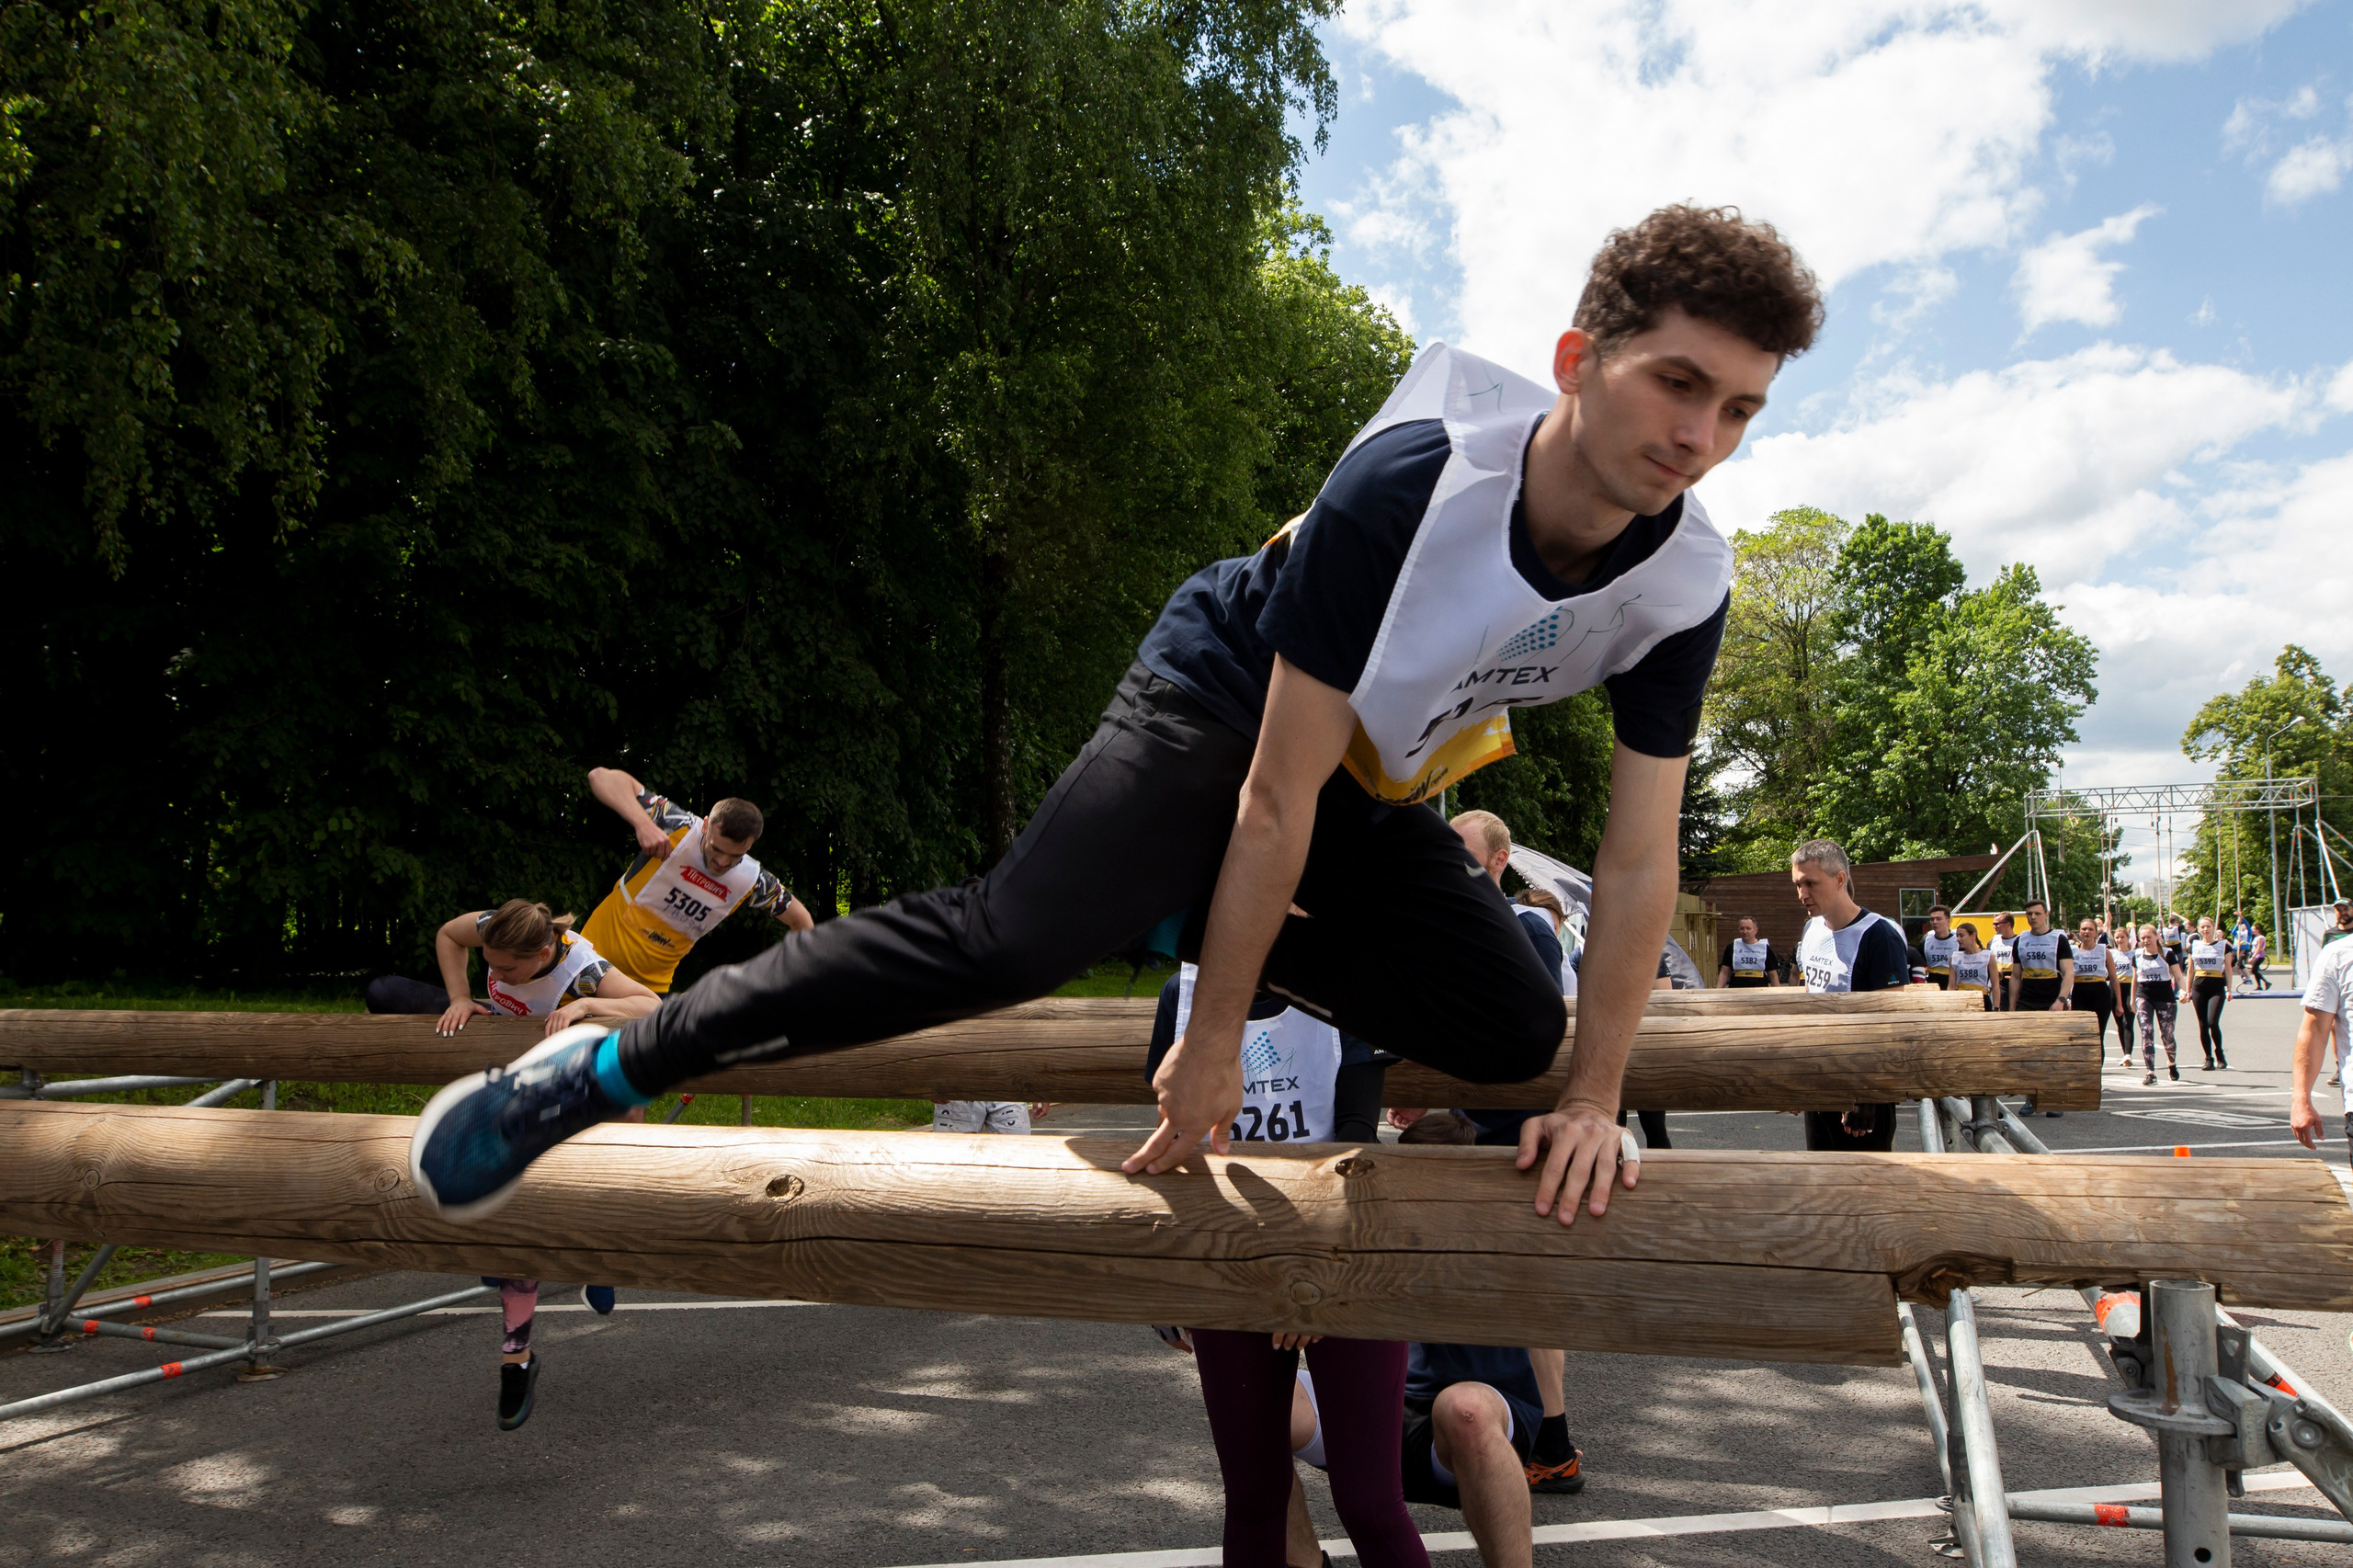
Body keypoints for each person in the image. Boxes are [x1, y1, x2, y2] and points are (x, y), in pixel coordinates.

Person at [408, 205, 1824, 1232]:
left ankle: (1170, 911)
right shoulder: (1410, 483)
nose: (1700, 436)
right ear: (1581, 358)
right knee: (1014, 934)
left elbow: (1643, 861)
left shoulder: (1686, 577)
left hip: (1368, 774)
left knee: (1518, 1025)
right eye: (1678, 382)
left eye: (1742, 410)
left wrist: (1595, 1093)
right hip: (1234, 687)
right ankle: (604, 1067)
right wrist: (1216, 1021)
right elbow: (1268, 794)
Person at [1147, 966, 1421, 1568]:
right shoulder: (1185, 992)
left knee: (1370, 1502)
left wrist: (1306, 1272)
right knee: (1253, 1499)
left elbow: (1356, 1139)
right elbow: (1174, 1143)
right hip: (1233, 1264)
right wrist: (1167, 1283)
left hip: (1342, 1256)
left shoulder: (1347, 984)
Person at [367, 899, 659, 1429]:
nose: (495, 973)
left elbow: (654, 1005)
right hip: (510, 1067)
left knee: (551, 1206)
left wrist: (588, 1007)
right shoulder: (491, 927)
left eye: (506, 969)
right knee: (382, 991)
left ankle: (600, 1256)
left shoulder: (583, 970)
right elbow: (448, 936)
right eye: (491, 964)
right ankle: (518, 1358)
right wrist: (462, 997)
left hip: (568, 1083)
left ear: (544, 952)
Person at [1443, 809, 1606, 1495]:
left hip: (1524, 1129)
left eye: (1464, 855)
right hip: (1474, 1123)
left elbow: (1526, 1028)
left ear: (1500, 860)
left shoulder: (1530, 927)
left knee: (1528, 1293)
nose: (1449, 865)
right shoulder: (1453, 920)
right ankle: (1509, 1430)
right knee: (1491, 1290)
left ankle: (1552, 1443)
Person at [1392, 1109, 1548, 1568]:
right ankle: (1302, 1559)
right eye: (1410, 1177)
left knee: (1467, 1409)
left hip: (1477, 1413)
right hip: (1382, 1409)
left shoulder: (1502, 1232)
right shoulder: (1377, 1223)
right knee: (1256, 1399)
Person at [579, 768, 813, 998]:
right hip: (590, 963)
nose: (722, 862)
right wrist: (644, 823)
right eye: (716, 848)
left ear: (750, 846)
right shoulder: (676, 824)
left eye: (735, 856)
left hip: (648, 992)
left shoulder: (753, 880)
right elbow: (600, 776)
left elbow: (800, 918)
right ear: (705, 825)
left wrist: (797, 974)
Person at [1790, 839, 1910, 1150]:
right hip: (1820, 1078)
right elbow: (1810, 1003)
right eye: (1798, 884)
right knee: (1820, 1183)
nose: (1802, 894)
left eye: (1810, 883)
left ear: (1839, 879)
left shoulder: (1879, 935)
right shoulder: (1811, 930)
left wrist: (1866, 1091)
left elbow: (1892, 1022)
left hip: (1863, 1089)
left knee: (1866, 1187)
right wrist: (1797, 1076)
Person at [2130, 924, 2186, 1085]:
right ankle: (2150, 1071)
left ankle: (2172, 1063)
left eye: (2149, 937)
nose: (2146, 941)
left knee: (2167, 1035)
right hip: (2144, 996)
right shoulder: (2138, 955)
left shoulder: (2168, 954)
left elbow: (2179, 976)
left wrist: (2183, 991)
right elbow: (2135, 979)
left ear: (2156, 937)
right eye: (2143, 938)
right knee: (2146, 1031)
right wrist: (2132, 999)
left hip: (2164, 997)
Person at [2187, 916, 2234, 1070]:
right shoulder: (2194, 946)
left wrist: (2229, 989)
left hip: (2216, 987)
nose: (2205, 930)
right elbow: (2191, 970)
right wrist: (2188, 991)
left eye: (2208, 927)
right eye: (2202, 927)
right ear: (2199, 930)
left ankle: (2219, 1053)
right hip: (2199, 986)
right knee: (2202, 1024)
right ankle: (2208, 1058)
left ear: (2214, 928)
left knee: (2212, 1022)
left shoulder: (2223, 946)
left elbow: (2228, 968)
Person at [2071, 917, 2120, 1056]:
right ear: (2079, 932)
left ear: (2096, 933)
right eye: (2084, 929)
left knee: (2098, 1035)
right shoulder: (2073, 951)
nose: (2087, 932)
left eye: (2090, 929)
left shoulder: (2104, 951)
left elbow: (2114, 979)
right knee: (2081, 1035)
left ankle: (2098, 1069)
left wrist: (2119, 1004)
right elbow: (2067, 975)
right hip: (2080, 992)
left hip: (2100, 993)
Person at [1717, 915, 1779, 989]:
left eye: (1748, 928)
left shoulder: (1765, 948)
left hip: (1759, 988)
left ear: (1755, 930)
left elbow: (1773, 974)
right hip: (1737, 988)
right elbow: (1724, 972)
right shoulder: (1732, 947)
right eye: (1742, 928)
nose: (1745, 931)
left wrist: (1778, 993)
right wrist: (1718, 991)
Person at [1949, 924, 1996, 1010]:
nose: (1958, 939)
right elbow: (1951, 986)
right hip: (1961, 1001)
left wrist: (1996, 1007)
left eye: (1961, 936)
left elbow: (1995, 985)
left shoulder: (1988, 956)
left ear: (1973, 936)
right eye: (1957, 936)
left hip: (1982, 1000)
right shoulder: (1955, 957)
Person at [1918, 904, 1959, 990]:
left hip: (1953, 985)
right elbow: (1920, 963)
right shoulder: (1926, 939)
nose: (1935, 922)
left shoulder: (1958, 940)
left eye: (1938, 919)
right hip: (1932, 985)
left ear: (1948, 922)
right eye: (1932, 919)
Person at [1986, 913, 2018, 1013]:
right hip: (1998, 982)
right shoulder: (1992, 942)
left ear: (2008, 924)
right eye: (1993, 924)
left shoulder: (2019, 941)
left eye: (1997, 924)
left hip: (2015, 980)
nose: (1994, 927)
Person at [2247, 925, 2269, 992]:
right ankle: (2259, 986)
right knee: (2255, 971)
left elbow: (2259, 948)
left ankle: (2266, 982)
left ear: (2257, 930)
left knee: (2254, 970)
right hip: (2255, 955)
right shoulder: (2255, 937)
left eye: (2253, 929)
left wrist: (2253, 957)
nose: (2252, 930)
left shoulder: (2261, 937)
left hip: (2260, 956)